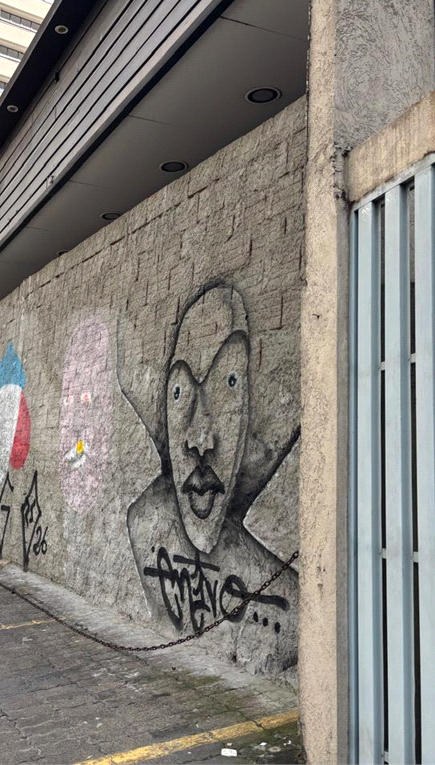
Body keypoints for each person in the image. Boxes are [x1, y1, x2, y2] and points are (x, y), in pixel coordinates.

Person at [126, 282, 299, 672]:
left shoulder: (292, 602)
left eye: (229, 383)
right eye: (179, 393)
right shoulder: (143, 525)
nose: (200, 440)